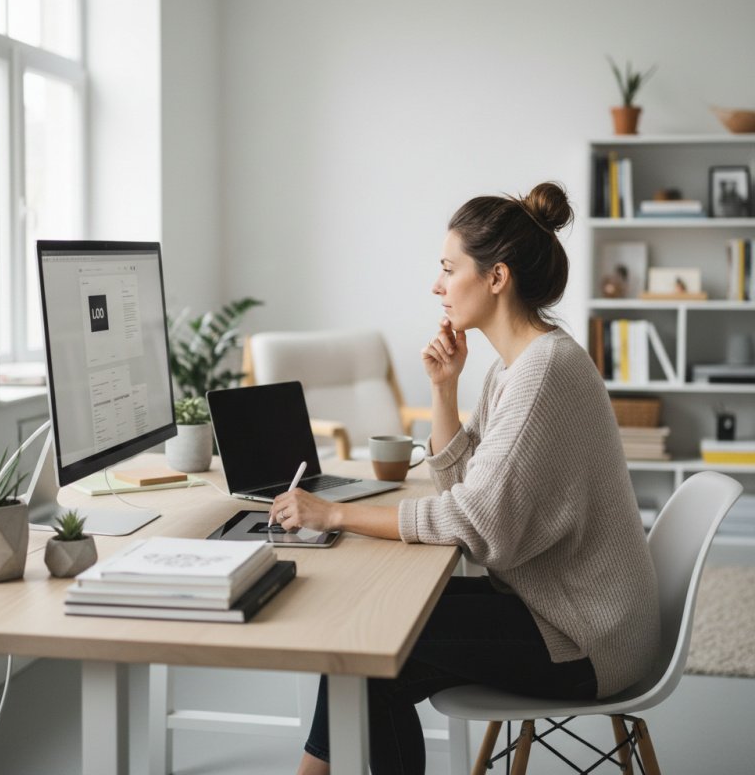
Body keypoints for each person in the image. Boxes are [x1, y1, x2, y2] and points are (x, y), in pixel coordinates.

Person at [270, 181, 660, 775]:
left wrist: (337, 513)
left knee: (373, 647)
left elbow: (471, 523)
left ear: (496, 278)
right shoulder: (522, 365)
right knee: (370, 642)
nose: (437, 285)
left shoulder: (543, 375)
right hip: (555, 608)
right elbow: (464, 488)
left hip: (583, 638)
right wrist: (444, 388)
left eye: (449, 269)